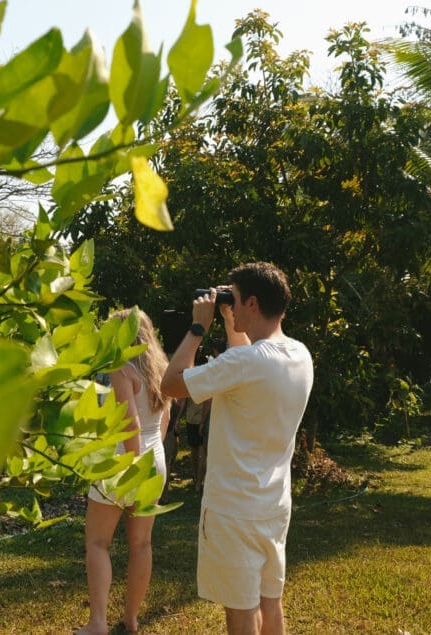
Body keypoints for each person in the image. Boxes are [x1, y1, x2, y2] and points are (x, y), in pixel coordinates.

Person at [160, 262, 314, 635]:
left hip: (233, 510)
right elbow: (247, 364)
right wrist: (232, 322)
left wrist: (198, 327)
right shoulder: (299, 354)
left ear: (253, 303)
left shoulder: (244, 362)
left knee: (241, 612)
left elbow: (171, 384)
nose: (229, 302)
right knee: (269, 602)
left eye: (235, 298)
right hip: (273, 504)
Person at [77, 308, 171, 635]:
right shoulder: (161, 369)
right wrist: (148, 461)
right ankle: (131, 619)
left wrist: (130, 466)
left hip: (122, 462)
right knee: (141, 544)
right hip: (155, 461)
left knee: (98, 543)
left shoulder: (121, 368)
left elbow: (129, 425)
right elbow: (163, 423)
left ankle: (98, 623)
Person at [183, 360, 211, 493]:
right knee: (198, 452)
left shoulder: (199, 382)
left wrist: (202, 422)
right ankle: (197, 480)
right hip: (194, 420)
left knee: (199, 452)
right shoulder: (197, 382)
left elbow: (206, 403)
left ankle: (198, 482)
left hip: (198, 420)